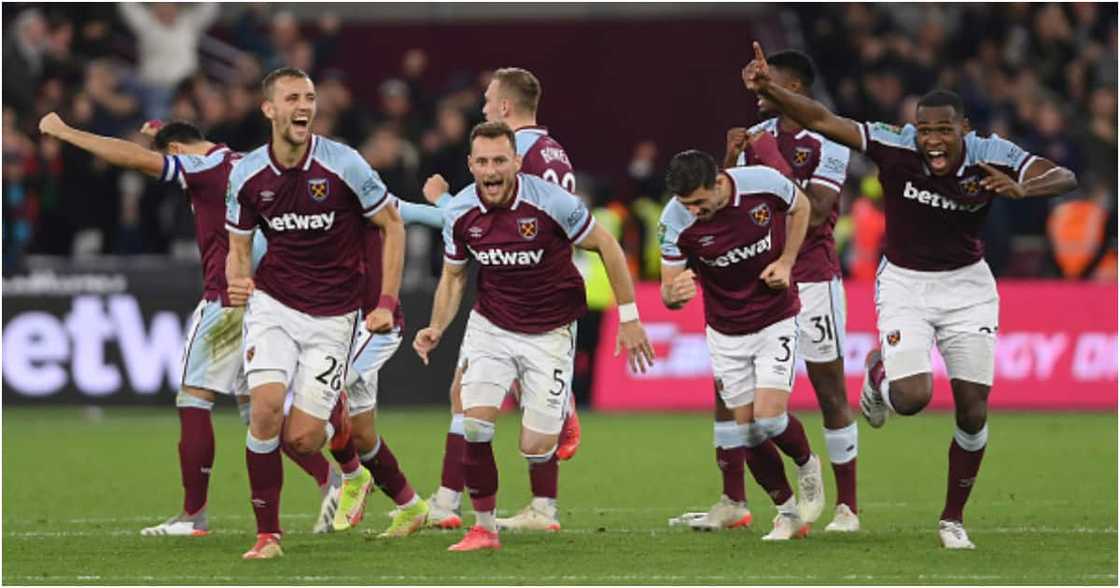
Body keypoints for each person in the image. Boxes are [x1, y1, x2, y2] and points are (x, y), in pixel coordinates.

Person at [744, 42, 1078, 549]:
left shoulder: (992, 152)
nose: (933, 141)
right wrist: (770, 88)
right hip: (904, 282)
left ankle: (951, 519)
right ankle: (881, 373)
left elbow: (1063, 176)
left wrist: (1025, 189)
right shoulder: (894, 144)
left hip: (969, 285)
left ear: (964, 129)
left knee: (972, 411)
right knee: (913, 398)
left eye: (943, 130)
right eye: (925, 131)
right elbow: (825, 118)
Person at [36, 113, 343, 537]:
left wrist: (67, 132)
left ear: (177, 153)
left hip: (228, 300)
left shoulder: (201, 167)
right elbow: (193, 144)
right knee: (256, 409)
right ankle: (332, 480)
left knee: (194, 398)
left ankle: (193, 516)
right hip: (267, 299)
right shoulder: (236, 159)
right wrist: (162, 130)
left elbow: (134, 160)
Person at [413, 121, 654, 552]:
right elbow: (453, 277)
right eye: (482, 161)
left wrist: (631, 318)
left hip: (550, 331)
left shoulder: (552, 202)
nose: (491, 170)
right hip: (492, 326)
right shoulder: (462, 212)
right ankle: (483, 527)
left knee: (535, 446)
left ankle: (559, 419)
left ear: (517, 163)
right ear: (471, 165)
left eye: (500, 160)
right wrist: (436, 325)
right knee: (475, 421)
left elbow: (609, 248)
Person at [224, 67, 408, 559]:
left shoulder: (344, 164)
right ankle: (268, 536)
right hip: (275, 305)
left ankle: (353, 469)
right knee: (263, 408)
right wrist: (238, 278)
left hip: (334, 316)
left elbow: (393, 225)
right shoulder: (247, 175)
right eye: (292, 98)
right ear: (269, 109)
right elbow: (237, 246)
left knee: (303, 439)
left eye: (309, 97)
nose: (304, 105)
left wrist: (387, 301)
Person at [691, 49, 858, 533]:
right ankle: (733, 499)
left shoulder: (831, 137)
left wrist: (762, 155)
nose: (758, 92)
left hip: (812, 275)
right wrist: (728, 159)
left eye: (770, 83)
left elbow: (817, 209)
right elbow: (726, 205)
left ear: (795, 89)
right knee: (730, 392)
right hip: (757, 280)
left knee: (828, 387)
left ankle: (847, 506)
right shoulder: (754, 138)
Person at [420, 67, 582, 532]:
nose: (485, 105)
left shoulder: (517, 155)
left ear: (506, 108)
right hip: (541, 283)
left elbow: (490, 217)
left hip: (518, 289)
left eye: (489, 99)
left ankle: (449, 502)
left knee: (463, 397)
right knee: (468, 396)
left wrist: (441, 199)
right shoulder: (553, 150)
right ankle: (523, 504)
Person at [659, 149, 825, 541]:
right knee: (747, 431)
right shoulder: (673, 219)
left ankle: (806, 465)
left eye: (700, 202)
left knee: (768, 418)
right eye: (687, 204)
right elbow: (669, 287)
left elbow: (801, 206)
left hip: (775, 318)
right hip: (725, 331)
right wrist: (674, 294)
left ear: (718, 183)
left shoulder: (761, 183)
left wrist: (786, 261)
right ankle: (787, 513)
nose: (694, 211)